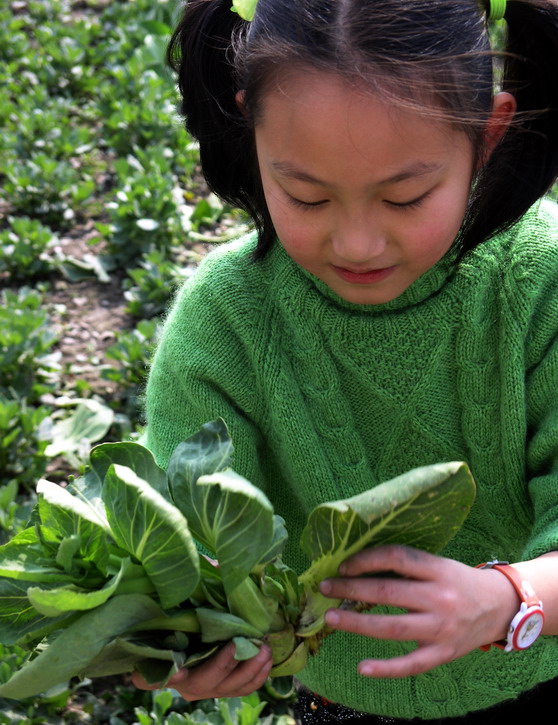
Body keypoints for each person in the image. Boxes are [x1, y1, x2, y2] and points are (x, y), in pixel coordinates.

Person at [137, 0, 558, 721]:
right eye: (307, 195)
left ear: (487, 137)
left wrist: (503, 601)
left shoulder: (539, 286)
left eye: (404, 197)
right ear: (251, 129)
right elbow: (184, 529)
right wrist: (177, 636)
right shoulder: (228, 323)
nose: (357, 243)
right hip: (346, 696)